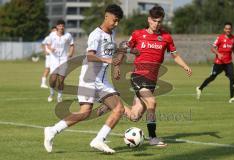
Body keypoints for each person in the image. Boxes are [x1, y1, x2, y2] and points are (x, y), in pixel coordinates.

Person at [44, 4, 124, 154]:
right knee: (85, 112)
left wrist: (116, 66)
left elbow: (109, 56)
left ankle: (99, 139)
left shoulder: (111, 34)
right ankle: (53, 130)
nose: (116, 23)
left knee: (118, 108)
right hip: (89, 78)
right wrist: (107, 61)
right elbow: (90, 55)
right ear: (106, 16)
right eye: (114, 20)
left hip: (102, 80)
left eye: (118, 21)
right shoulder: (96, 34)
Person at [113, 5, 192, 147]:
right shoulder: (137, 34)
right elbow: (123, 48)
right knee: (152, 102)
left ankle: (113, 104)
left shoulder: (166, 37)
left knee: (134, 116)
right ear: (149, 19)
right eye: (154, 20)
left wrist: (185, 65)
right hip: (138, 76)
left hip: (152, 81)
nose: (156, 24)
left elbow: (175, 55)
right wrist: (117, 65)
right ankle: (153, 138)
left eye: (159, 21)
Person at [196, 22, 234, 103]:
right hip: (219, 62)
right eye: (226, 29)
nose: (228, 30)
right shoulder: (220, 38)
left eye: (229, 29)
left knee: (232, 78)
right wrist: (218, 54)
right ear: (224, 29)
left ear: (231, 29)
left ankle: (232, 98)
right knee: (213, 77)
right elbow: (212, 48)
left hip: (228, 62)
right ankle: (200, 88)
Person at [46, 20, 74, 102]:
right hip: (54, 59)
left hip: (64, 59)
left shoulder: (68, 35)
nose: (61, 27)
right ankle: (51, 93)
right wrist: (51, 49)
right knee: (53, 79)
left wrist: (71, 53)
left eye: (62, 26)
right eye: (59, 26)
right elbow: (48, 44)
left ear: (64, 27)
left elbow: (72, 45)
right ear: (57, 26)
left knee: (61, 79)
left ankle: (59, 96)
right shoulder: (52, 35)